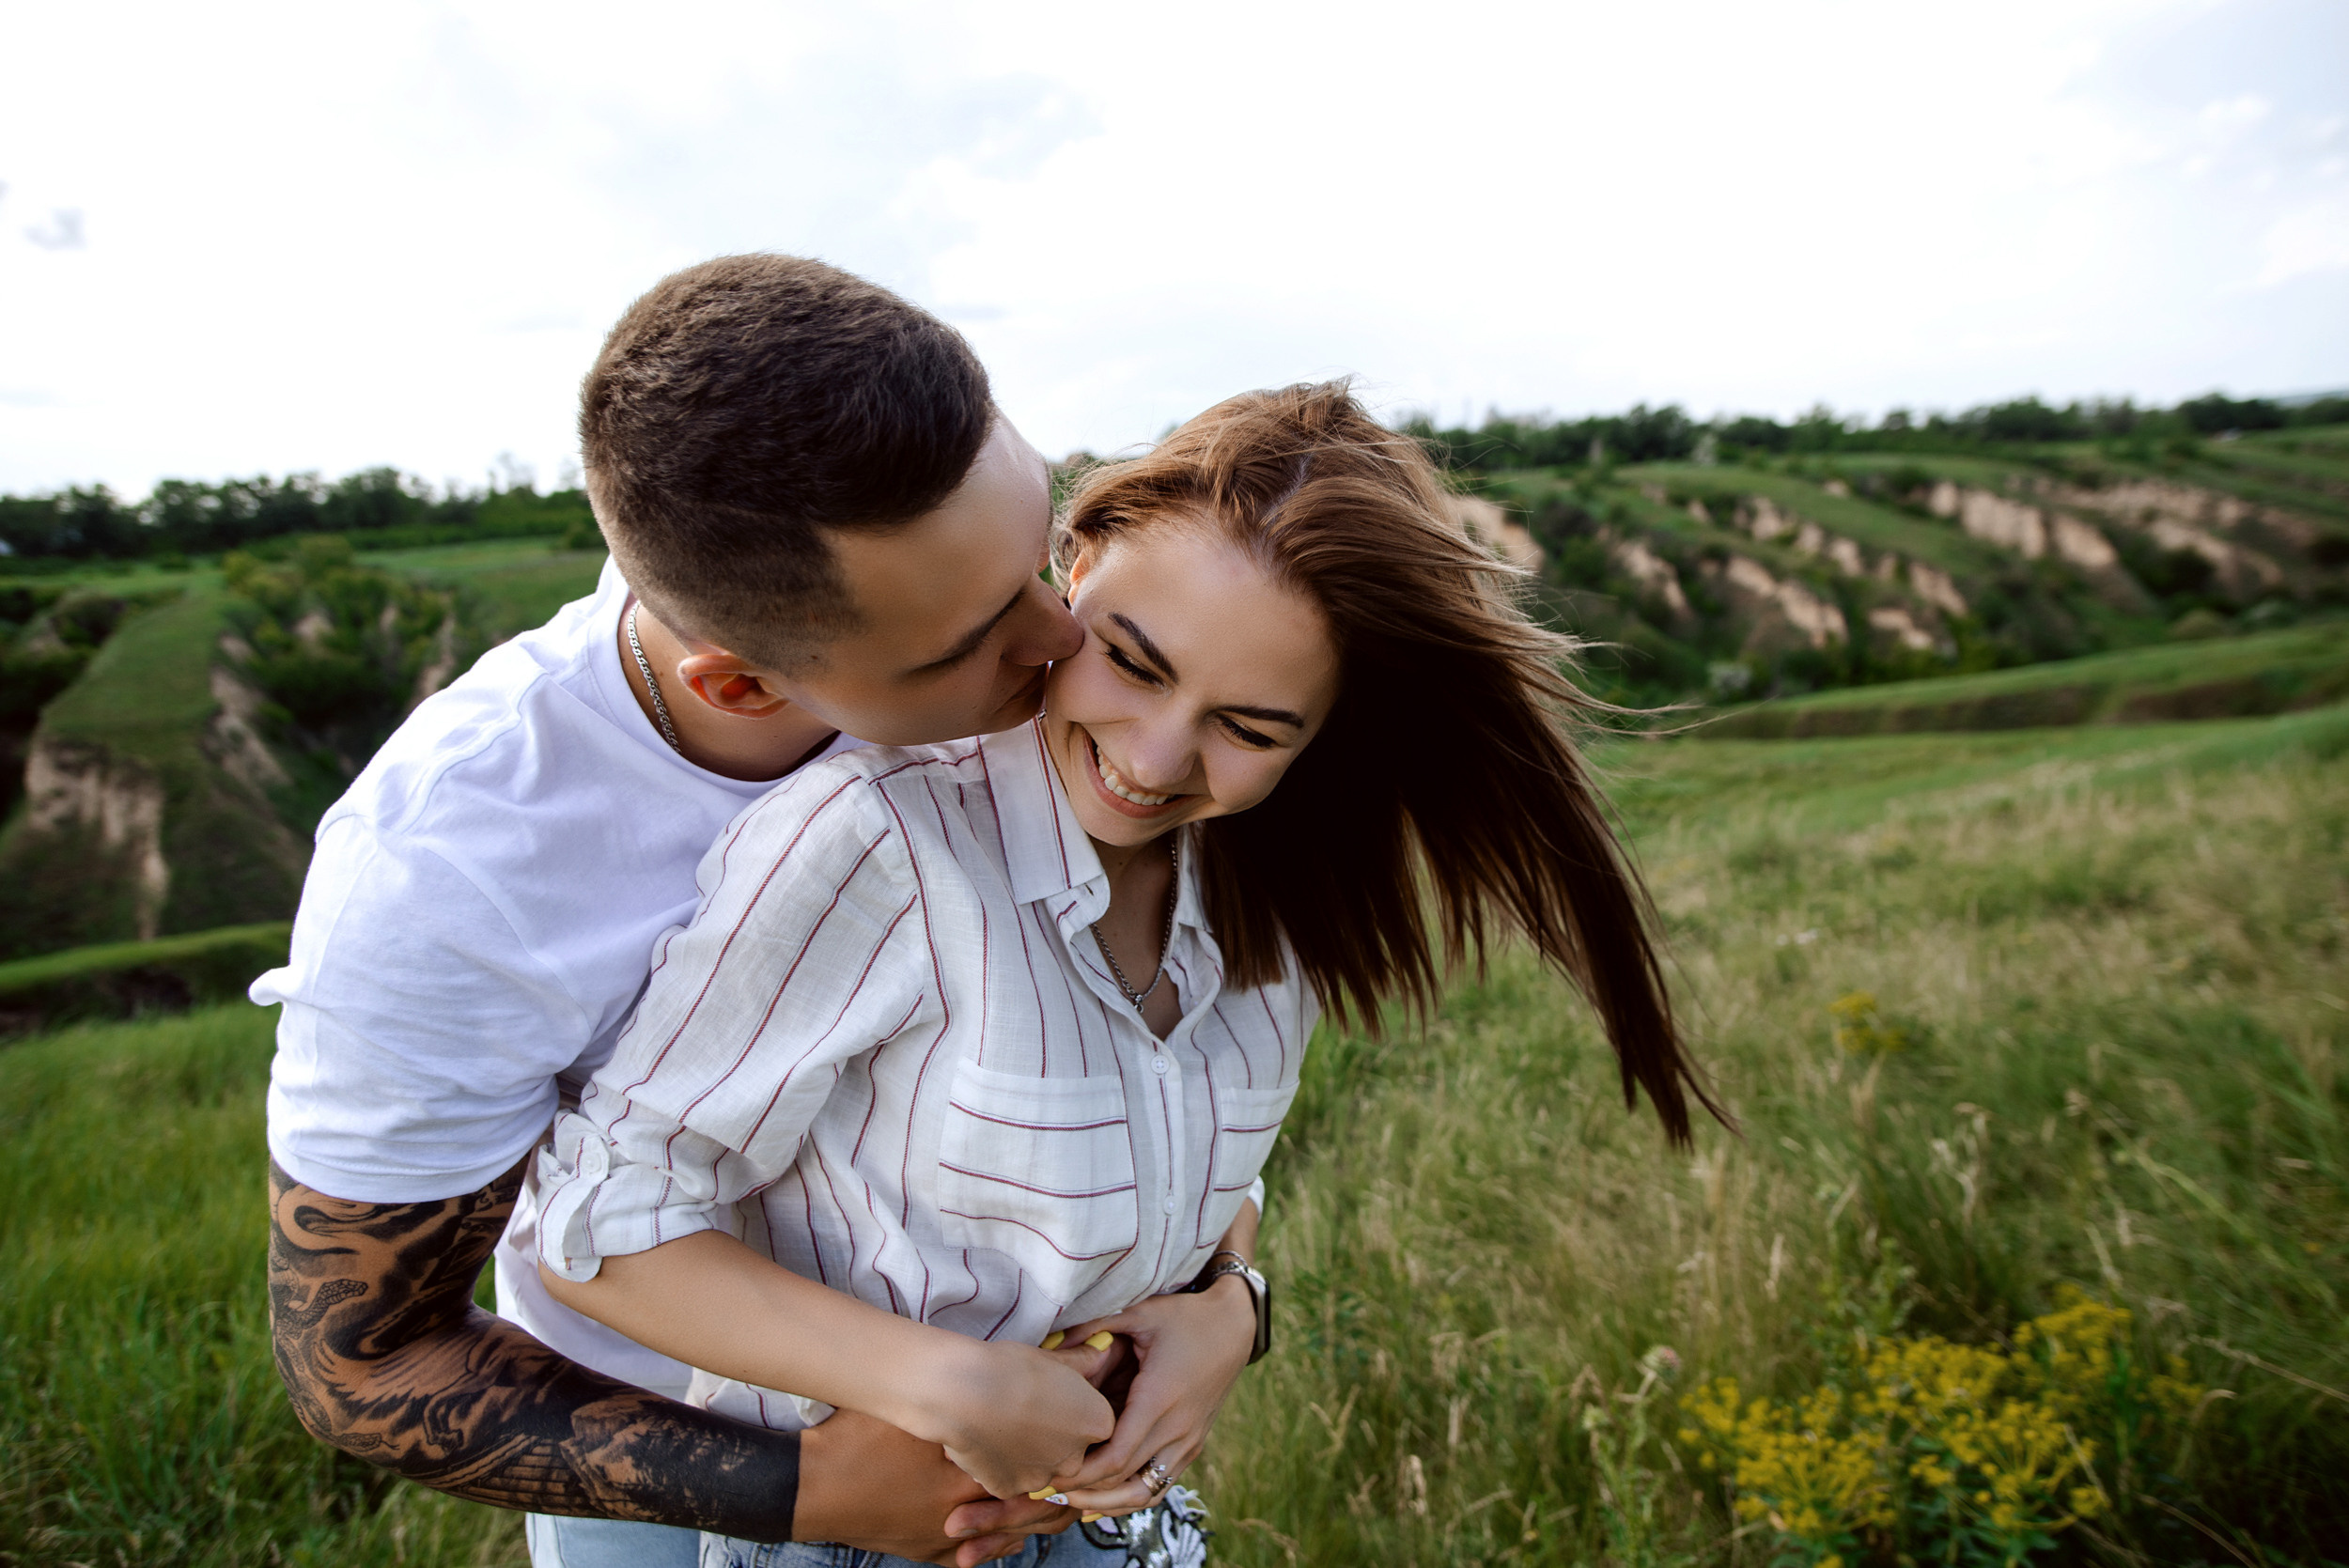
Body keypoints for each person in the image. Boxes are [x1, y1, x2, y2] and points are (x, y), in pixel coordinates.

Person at [527, 380, 1725, 1568]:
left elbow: (1179, 1158)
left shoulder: (1278, 894)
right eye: (1134, 663)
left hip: (1112, 1534)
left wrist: (1230, 1308)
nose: (1154, 762)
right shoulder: (879, 843)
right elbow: (602, 1218)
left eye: (1250, 727)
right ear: (1075, 560)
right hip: (848, 1537)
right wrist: (944, 1383)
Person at [257, 254, 1115, 1568]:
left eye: (1041, 554)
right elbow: (363, 1360)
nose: (1062, 640)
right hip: (707, 1497)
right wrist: (820, 1491)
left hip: (1049, 1430)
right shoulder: (452, 869)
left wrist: (1229, 1299)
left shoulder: (1027, 676)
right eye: (970, 639)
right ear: (744, 686)